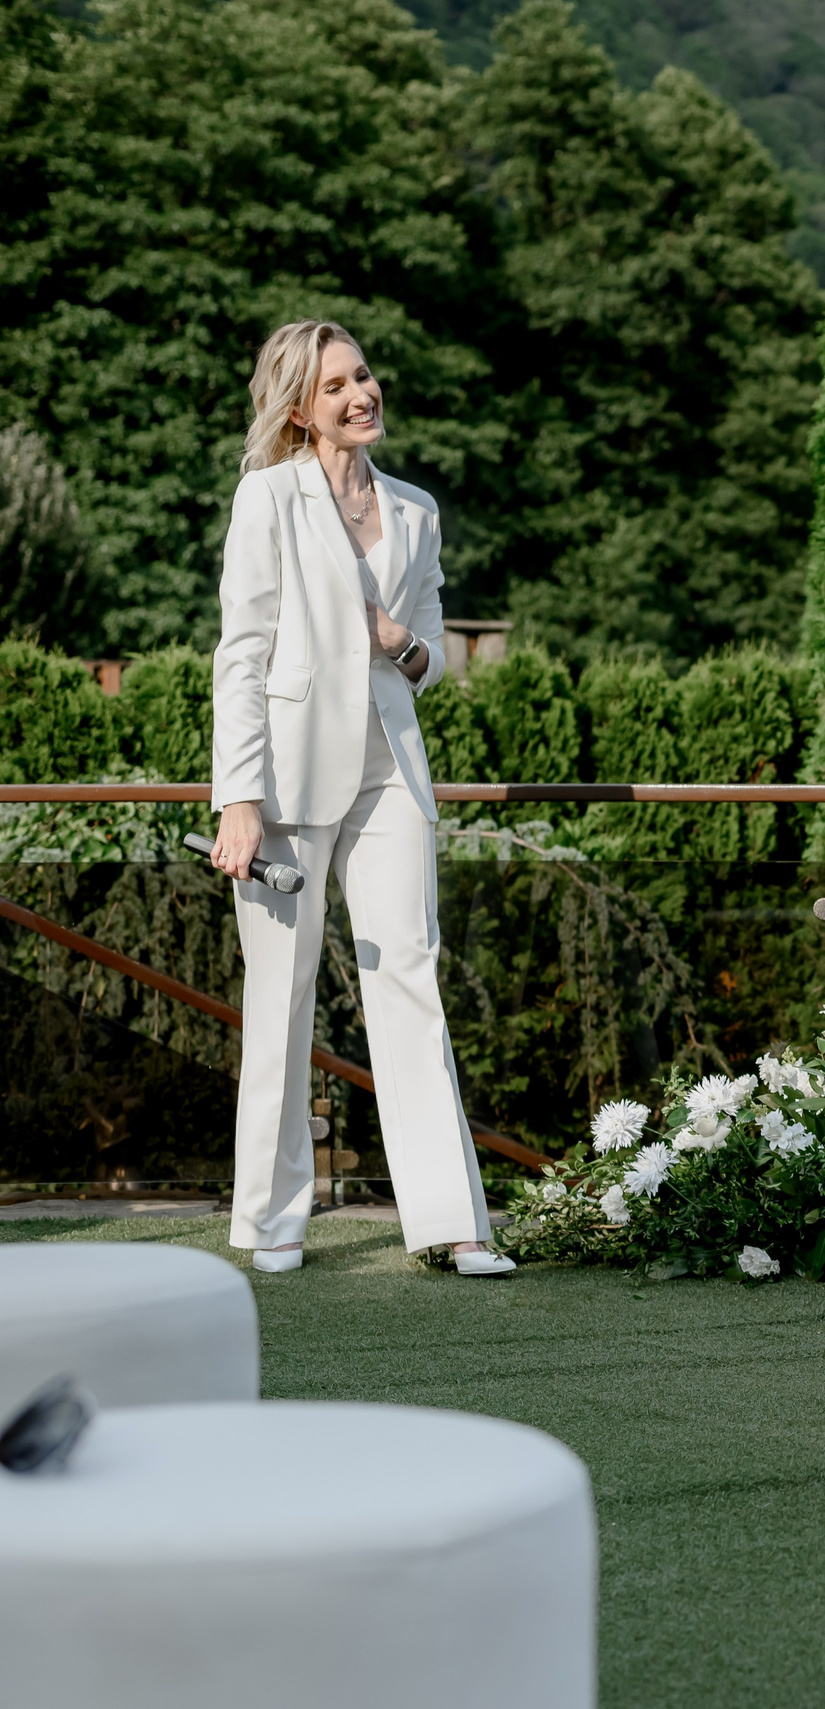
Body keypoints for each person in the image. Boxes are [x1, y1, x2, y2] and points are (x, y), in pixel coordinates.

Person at [209, 320, 513, 1278]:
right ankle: (270, 1221)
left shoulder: (417, 511)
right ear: (301, 408)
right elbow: (242, 656)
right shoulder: (267, 498)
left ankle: (453, 1222)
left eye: (365, 375)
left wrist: (398, 641)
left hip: (391, 770)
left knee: (410, 978)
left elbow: (424, 659)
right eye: (336, 384)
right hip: (287, 779)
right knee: (283, 995)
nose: (360, 394)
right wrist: (238, 799)